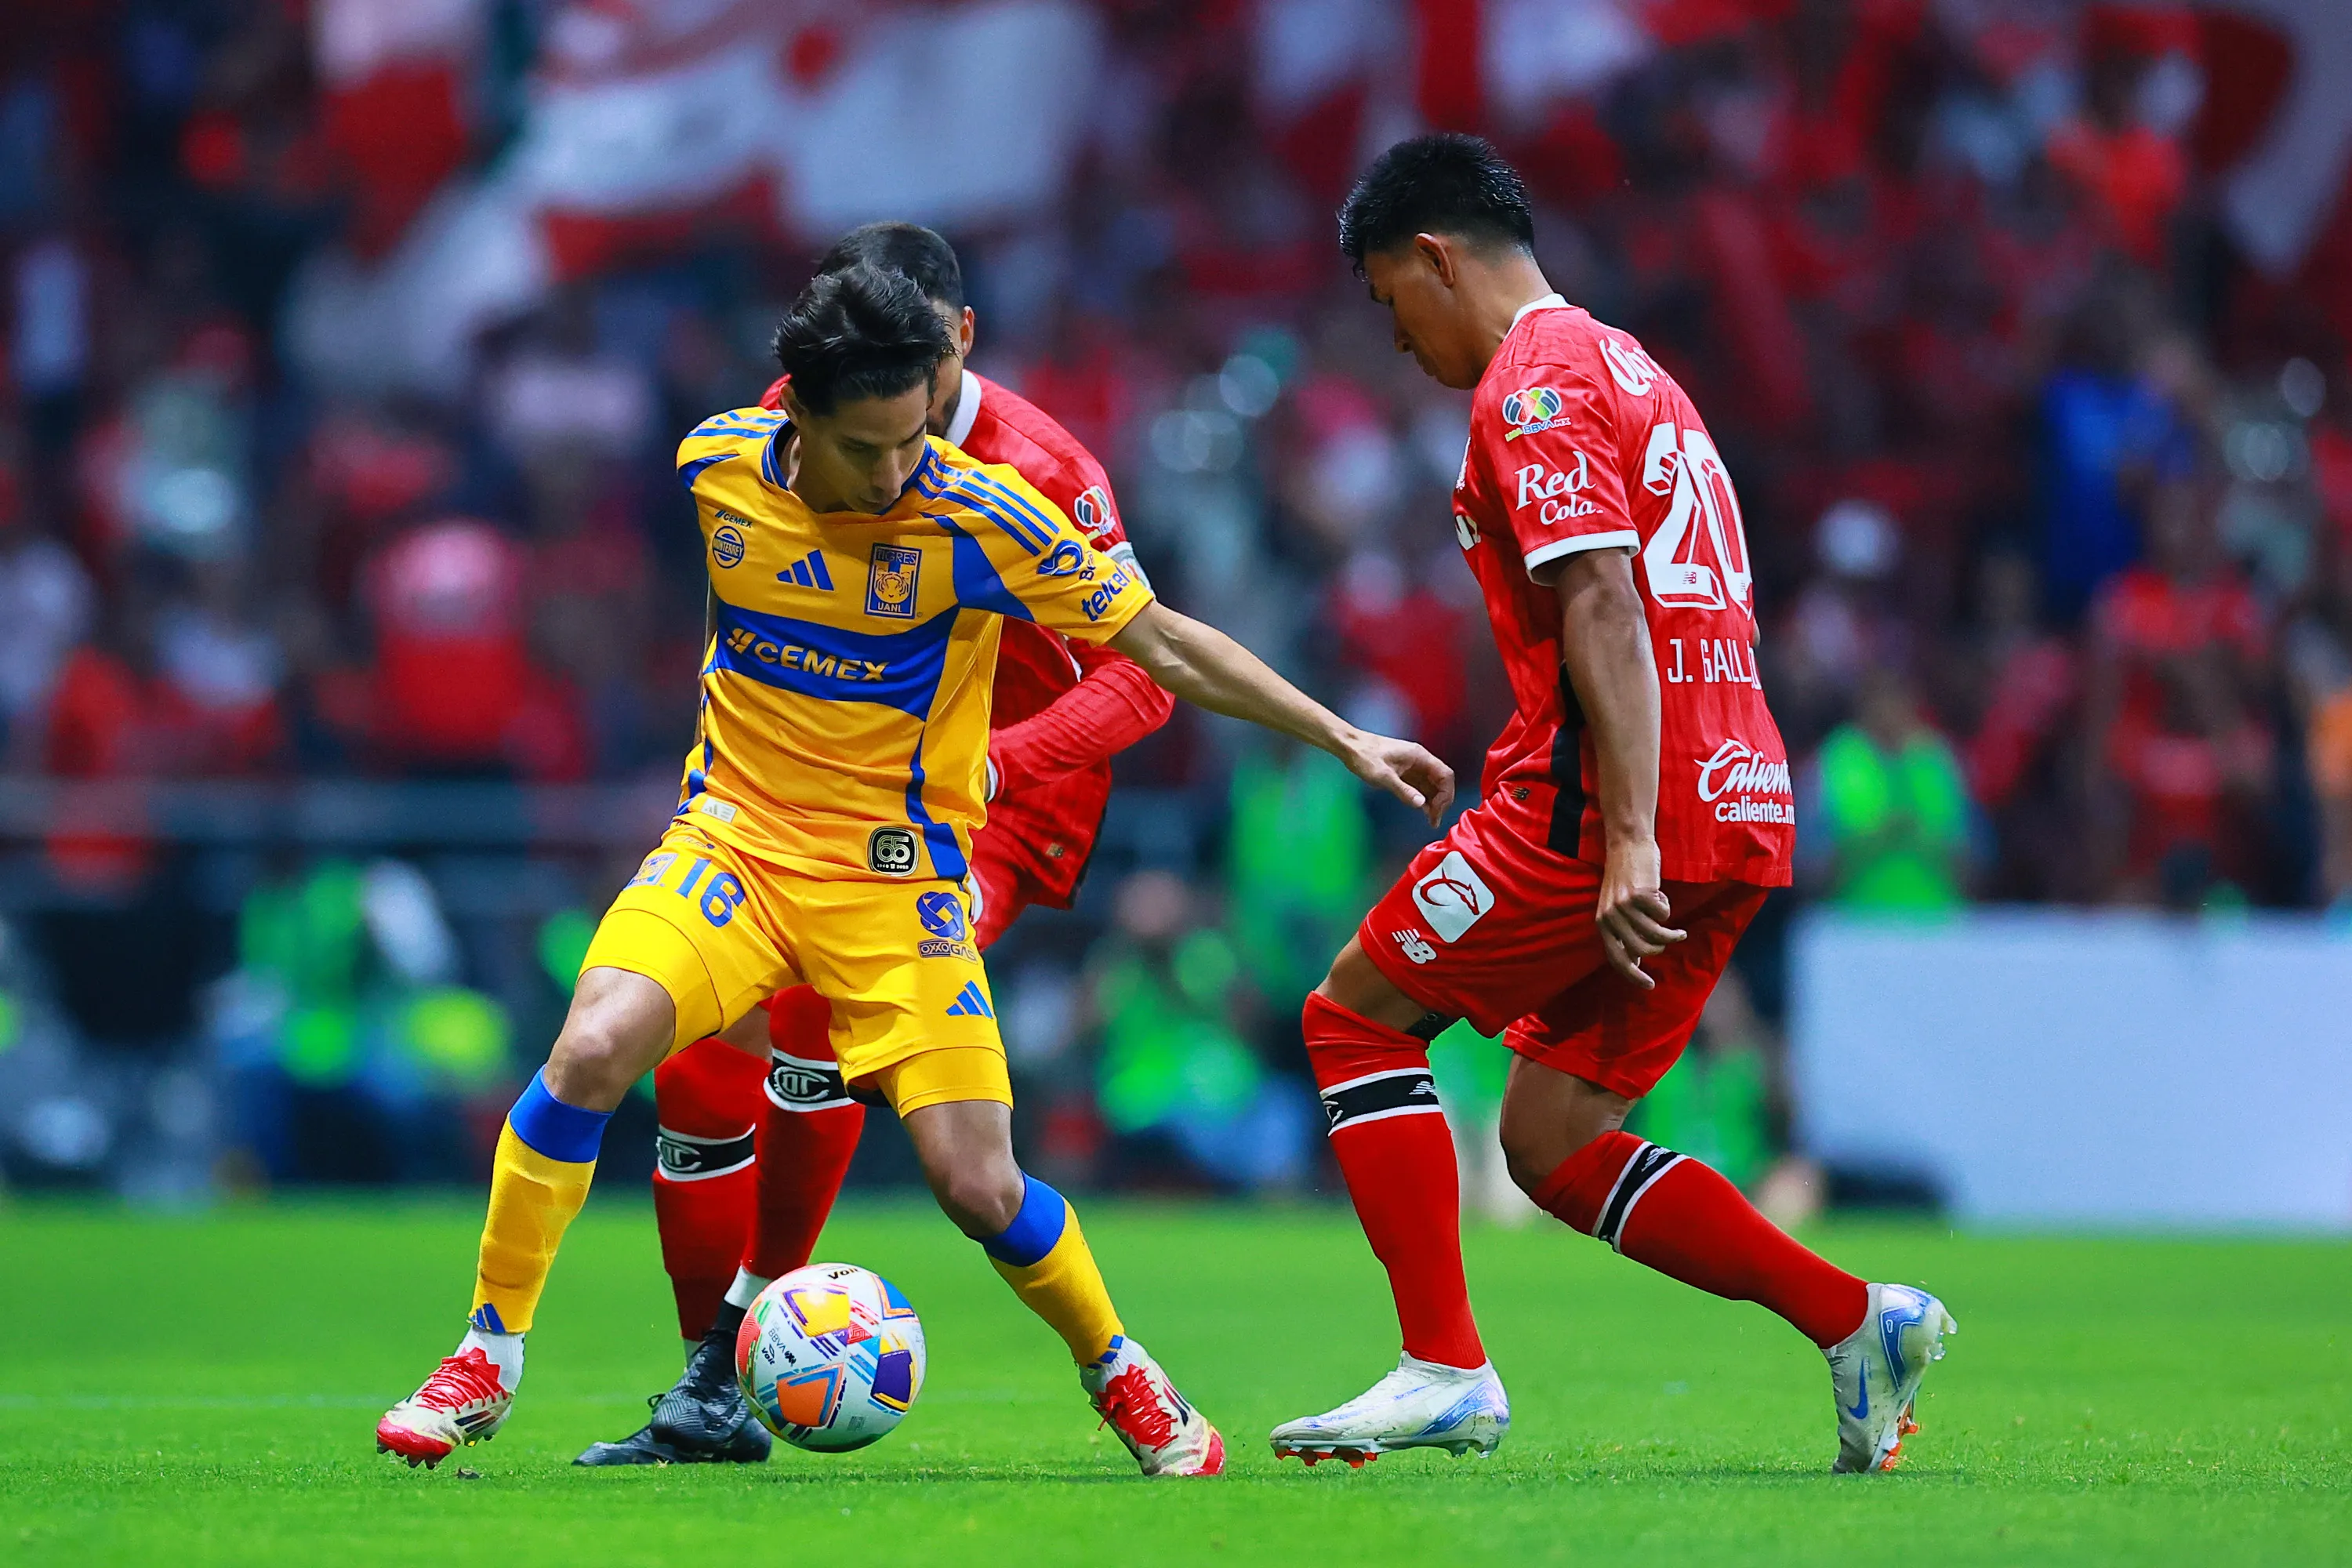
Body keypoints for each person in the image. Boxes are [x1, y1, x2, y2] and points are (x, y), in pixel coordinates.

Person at [373, 261, 1454, 1479]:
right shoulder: (714, 464)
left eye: (913, 439)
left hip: (895, 884)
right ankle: (484, 1358)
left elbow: (1159, 647)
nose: (898, 472)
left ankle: (1123, 1372)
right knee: (588, 1052)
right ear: (796, 415)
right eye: (868, 446)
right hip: (731, 845)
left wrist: (1343, 736)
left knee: (979, 1184)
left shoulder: (979, 516)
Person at [1266, 135, 1954, 1476]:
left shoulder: (1532, 384)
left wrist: (1628, 832)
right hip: (1738, 796)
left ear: (1435, 258)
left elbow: (1602, 600)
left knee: (1354, 1017)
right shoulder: (1640, 368)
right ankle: (1855, 1322)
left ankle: (1444, 1368)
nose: (1396, 340)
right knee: (1552, 1141)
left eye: (1385, 301)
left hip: (1602, 809)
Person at [578, 223, 1178, 1466]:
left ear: (958, 338)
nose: (888, 455)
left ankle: (735, 1355)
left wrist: (1002, 763)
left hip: (991, 809)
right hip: (822, 796)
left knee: (812, 1031)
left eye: (919, 397)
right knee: (690, 1072)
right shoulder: (810, 418)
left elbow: (1147, 683)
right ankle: (712, 1384)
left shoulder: (1043, 467)